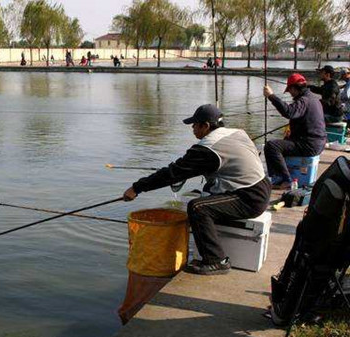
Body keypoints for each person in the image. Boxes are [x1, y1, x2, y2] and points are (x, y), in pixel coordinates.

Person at [123, 104, 271, 275]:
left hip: (250, 198)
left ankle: (216, 260)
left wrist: (136, 188)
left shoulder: (207, 148)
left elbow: (172, 173)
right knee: (206, 192)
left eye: (195, 125)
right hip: (261, 185)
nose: (192, 129)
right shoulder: (237, 132)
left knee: (197, 207)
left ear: (206, 126)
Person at [263, 73, 326, 189]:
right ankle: (281, 176)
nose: (290, 94)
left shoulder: (304, 100)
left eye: (290, 91)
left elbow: (289, 112)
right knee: (284, 142)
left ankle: (285, 179)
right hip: (318, 143)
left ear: (293, 88)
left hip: (309, 145)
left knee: (271, 146)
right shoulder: (314, 98)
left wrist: (271, 96)